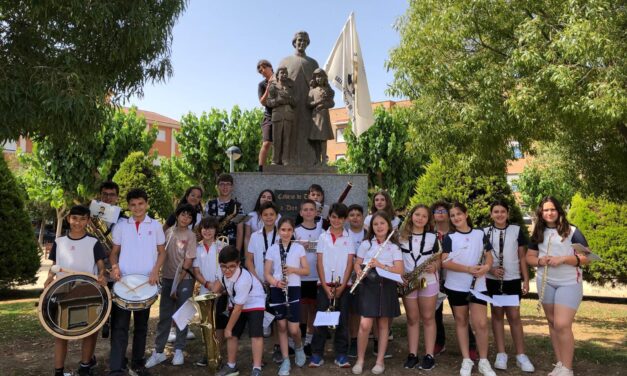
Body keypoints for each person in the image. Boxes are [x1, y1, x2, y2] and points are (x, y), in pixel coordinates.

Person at [526, 196, 590, 376]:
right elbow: (529, 258)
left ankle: (568, 369)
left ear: (559, 211)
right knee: (553, 323)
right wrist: (539, 260)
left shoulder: (573, 231)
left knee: (562, 324)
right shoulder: (537, 232)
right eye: (545, 210)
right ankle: (560, 364)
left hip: (569, 283)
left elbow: (586, 258)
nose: (549, 213)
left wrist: (563, 259)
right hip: (545, 281)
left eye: (552, 209)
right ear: (541, 212)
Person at [109, 188, 167, 376]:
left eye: (141, 204)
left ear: (146, 204)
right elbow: (113, 253)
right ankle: (117, 367)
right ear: (128, 206)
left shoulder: (156, 225)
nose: (137, 208)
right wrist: (115, 267)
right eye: (133, 205)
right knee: (120, 326)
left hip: (146, 284)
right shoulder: (121, 226)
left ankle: (138, 364)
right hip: (123, 284)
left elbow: (162, 252)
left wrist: (155, 271)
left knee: (141, 326)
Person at [46, 205, 106, 376]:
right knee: (60, 332)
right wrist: (49, 278)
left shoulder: (93, 242)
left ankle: (85, 367)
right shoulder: (59, 242)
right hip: (62, 290)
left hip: (88, 290)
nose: (77, 222)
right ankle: (59, 372)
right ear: (68, 219)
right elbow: (54, 266)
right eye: (74, 218)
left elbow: (101, 266)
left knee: (89, 330)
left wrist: (101, 275)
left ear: (87, 220)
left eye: (82, 219)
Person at [441, 202, 496, 376]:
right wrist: (468, 269)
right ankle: (466, 359)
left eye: (459, 214)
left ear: (466, 214)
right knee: (461, 321)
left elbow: (489, 257)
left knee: (480, 323)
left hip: (478, 286)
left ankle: (484, 361)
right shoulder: (449, 237)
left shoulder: (480, 233)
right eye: (452, 215)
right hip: (456, 286)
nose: (456, 218)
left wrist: (486, 268)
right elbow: (445, 262)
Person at [484, 200, 535, 372]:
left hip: (512, 279)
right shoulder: (484, 232)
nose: (499, 214)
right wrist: (490, 269)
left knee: (514, 316)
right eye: (496, 211)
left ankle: (521, 355)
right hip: (492, 280)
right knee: (497, 315)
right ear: (491, 214)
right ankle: (501, 353)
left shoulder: (516, 230)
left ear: (508, 213)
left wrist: (525, 280)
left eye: (502, 211)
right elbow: (482, 258)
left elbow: (522, 257)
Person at [145, 204, 198, 368]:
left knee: (182, 315)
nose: (185, 218)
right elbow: (159, 254)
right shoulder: (167, 232)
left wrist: (178, 283)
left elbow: (188, 262)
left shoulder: (191, 235)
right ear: (177, 215)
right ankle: (159, 351)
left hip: (185, 279)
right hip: (167, 279)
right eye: (183, 215)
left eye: (189, 217)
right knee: (165, 316)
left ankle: (179, 349)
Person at [352, 211, 403, 375]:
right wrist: (359, 270)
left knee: (383, 326)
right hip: (369, 285)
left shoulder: (394, 246)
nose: (379, 226)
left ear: (388, 226)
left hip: (386, 285)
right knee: (365, 325)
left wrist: (380, 265)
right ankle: (360, 360)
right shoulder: (367, 244)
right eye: (376, 224)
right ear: (371, 227)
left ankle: (380, 361)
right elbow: (357, 263)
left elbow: (400, 270)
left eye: (382, 223)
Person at [308, 203, 355, 368]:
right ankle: (317, 354)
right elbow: (319, 262)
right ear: (329, 217)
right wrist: (324, 286)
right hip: (324, 285)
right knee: (321, 319)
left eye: (340, 218)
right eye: (334, 217)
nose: (337, 221)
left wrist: (342, 287)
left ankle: (341, 354)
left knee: (342, 321)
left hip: (343, 286)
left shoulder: (349, 238)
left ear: (345, 220)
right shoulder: (322, 237)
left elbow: (350, 263)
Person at [431, 200, 478, 359]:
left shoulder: (456, 233)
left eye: (443, 210)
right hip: (434, 278)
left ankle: (471, 345)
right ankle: (439, 342)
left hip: (454, 278)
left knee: (461, 314)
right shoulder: (430, 234)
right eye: (436, 211)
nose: (440, 213)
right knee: (435, 312)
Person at [264, 217, 309, 376]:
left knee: (293, 328)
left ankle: (298, 347)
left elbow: (306, 271)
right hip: (278, 289)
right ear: (278, 231)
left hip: (294, 288)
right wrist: (276, 283)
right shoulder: (272, 249)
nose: (286, 232)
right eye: (283, 229)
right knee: (281, 326)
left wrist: (292, 270)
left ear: (293, 231)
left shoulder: (298, 248)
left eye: (289, 230)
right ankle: (285, 360)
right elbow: (267, 273)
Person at [212, 245, 266, 376]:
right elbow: (217, 286)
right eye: (223, 266)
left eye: (231, 266)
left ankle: (257, 368)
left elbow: (237, 310)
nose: (227, 270)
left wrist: (228, 328)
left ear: (238, 264)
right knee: (232, 336)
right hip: (236, 301)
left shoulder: (244, 279)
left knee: (255, 334)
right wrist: (212, 295)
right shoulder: (221, 271)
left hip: (255, 302)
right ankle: (231, 366)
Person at [398, 204, 439, 370]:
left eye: (424, 216)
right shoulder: (400, 236)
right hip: (409, 282)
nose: (420, 218)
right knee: (412, 319)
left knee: (428, 318)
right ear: (411, 216)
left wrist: (435, 266)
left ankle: (429, 355)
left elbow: (438, 257)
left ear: (428, 219)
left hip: (427, 280)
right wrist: (401, 276)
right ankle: (412, 354)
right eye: (417, 214)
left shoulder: (432, 237)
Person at [278, 30, 320, 166]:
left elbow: (319, 84)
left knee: (308, 133)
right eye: (299, 41)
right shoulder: (285, 61)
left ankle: (310, 160)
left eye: (304, 41)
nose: (301, 43)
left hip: (308, 105)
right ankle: (286, 160)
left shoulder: (313, 63)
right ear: (294, 43)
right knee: (289, 133)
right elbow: (277, 82)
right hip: (290, 105)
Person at [191, 216, 229, 367]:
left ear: (216, 230)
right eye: (204, 228)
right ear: (200, 230)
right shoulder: (197, 247)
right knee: (206, 323)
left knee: (219, 323)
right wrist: (207, 283)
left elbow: (227, 268)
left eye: (211, 228)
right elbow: (196, 270)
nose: (207, 231)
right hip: (204, 290)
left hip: (221, 290)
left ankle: (217, 352)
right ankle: (208, 353)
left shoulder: (222, 246)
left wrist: (219, 286)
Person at [295, 199, 323, 354]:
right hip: (300, 277)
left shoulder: (322, 230)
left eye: (311, 209)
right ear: (301, 213)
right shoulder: (295, 230)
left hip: (316, 276)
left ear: (316, 212)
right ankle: (299, 341)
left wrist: (311, 245)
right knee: (301, 309)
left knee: (313, 309)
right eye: (305, 209)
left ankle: (309, 341)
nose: (308, 212)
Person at [346, 204, 366, 358]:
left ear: (363, 216)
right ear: (347, 218)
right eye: (351, 215)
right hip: (349, 278)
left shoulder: (369, 234)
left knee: (366, 312)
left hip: (368, 278)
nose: (355, 217)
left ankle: (368, 340)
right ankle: (353, 340)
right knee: (353, 312)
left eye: (358, 214)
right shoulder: (344, 234)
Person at [205, 173, 244, 255]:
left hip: (231, 247)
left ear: (232, 187)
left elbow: (240, 231)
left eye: (228, 184)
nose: (225, 187)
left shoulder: (238, 206)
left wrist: (237, 252)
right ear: (217, 187)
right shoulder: (210, 204)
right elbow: (205, 227)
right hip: (212, 246)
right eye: (222, 184)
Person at [266, 65, 296, 166]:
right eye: (282, 73)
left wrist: (289, 99)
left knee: (287, 139)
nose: (284, 75)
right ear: (277, 75)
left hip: (288, 115)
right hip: (277, 116)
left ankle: (285, 160)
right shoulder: (273, 87)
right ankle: (275, 160)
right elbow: (269, 102)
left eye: (285, 73)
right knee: (277, 139)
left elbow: (295, 103)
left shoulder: (290, 88)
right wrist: (278, 101)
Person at [308, 68, 335, 165]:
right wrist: (317, 102)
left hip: (324, 116)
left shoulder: (328, 90)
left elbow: (332, 103)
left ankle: (324, 160)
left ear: (324, 78)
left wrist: (324, 105)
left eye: (320, 76)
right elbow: (309, 103)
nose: (318, 79)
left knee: (323, 139)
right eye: (317, 77)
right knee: (316, 139)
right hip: (315, 117)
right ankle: (317, 159)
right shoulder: (312, 91)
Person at [257, 59, 274, 172]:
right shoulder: (261, 84)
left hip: (282, 115)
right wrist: (268, 88)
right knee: (267, 142)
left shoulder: (280, 78)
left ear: (269, 67)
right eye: (260, 71)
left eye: (263, 68)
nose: (261, 71)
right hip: (269, 116)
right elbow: (262, 102)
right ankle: (261, 169)